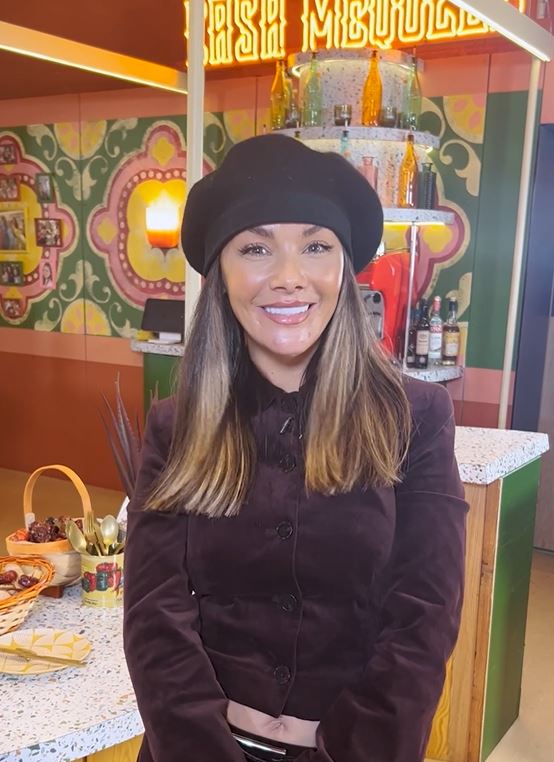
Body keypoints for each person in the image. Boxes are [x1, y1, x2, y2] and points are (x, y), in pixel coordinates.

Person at [123, 134, 467, 762]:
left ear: (343, 264)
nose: (289, 277)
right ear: (220, 273)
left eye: (315, 246)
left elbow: (424, 618)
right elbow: (154, 616)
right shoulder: (177, 426)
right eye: (256, 248)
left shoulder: (417, 418)